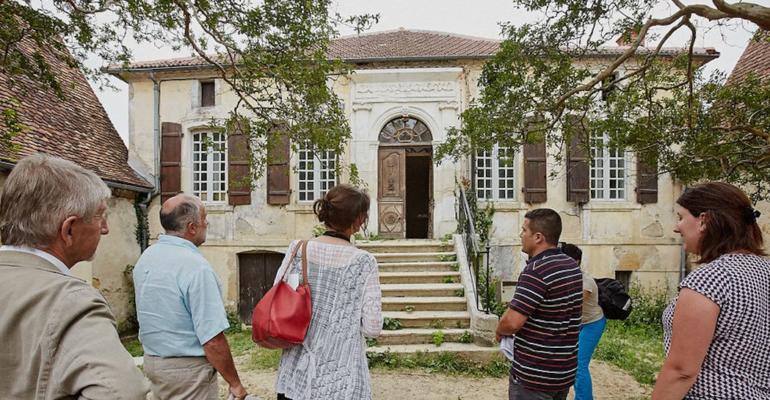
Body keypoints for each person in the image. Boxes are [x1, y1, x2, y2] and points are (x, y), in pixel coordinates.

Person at [0, 154, 148, 399]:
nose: (105, 228)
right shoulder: (69, 301)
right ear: (68, 230)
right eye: (100, 215)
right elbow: (121, 393)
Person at [652, 182, 770, 400]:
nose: (677, 227)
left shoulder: (710, 279)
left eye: (681, 217)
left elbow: (681, 371)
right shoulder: (765, 270)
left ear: (704, 220)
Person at [133, 194, 249, 400]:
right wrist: (235, 383)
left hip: (154, 363)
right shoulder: (196, 267)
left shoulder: (147, 257)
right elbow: (212, 339)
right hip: (187, 371)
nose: (207, 223)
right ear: (192, 227)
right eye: (204, 218)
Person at [274, 184, 382, 400]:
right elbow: (373, 327)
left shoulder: (297, 249)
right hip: (340, 384)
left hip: (296, 378)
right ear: (359, 220)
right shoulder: (363, 262)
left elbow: (278, 296)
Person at [496, 208, 583, 400]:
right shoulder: (572, 266)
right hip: (562, 372)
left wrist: (500, 330)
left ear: (538, 237)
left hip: (535, 375)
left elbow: (512, 322)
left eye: (524, 230)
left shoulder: (536, 271)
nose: (521, 235)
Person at [561, 243, 606, 400]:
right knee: (569, 362)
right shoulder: (566, 279)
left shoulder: (585, 282)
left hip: (593, 324)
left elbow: (573, 305)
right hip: (578, 324)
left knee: (579, 364)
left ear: (577, 262)